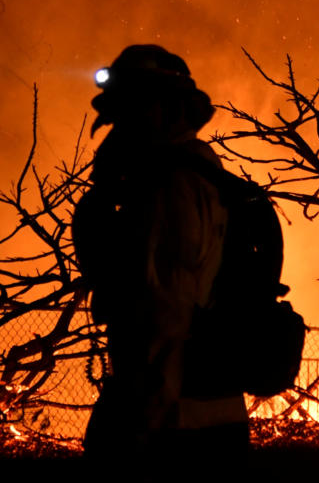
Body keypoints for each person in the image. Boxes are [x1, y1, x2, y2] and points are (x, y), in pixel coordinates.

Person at [71, 44, 248, 474]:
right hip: (199, 415)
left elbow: (165, 313)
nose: (117, 129)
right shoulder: (190, 175)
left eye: (132, 110)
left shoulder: (169, 187)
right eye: (116, 115)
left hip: (177, 429)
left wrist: (137, 433)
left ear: (167, 110)